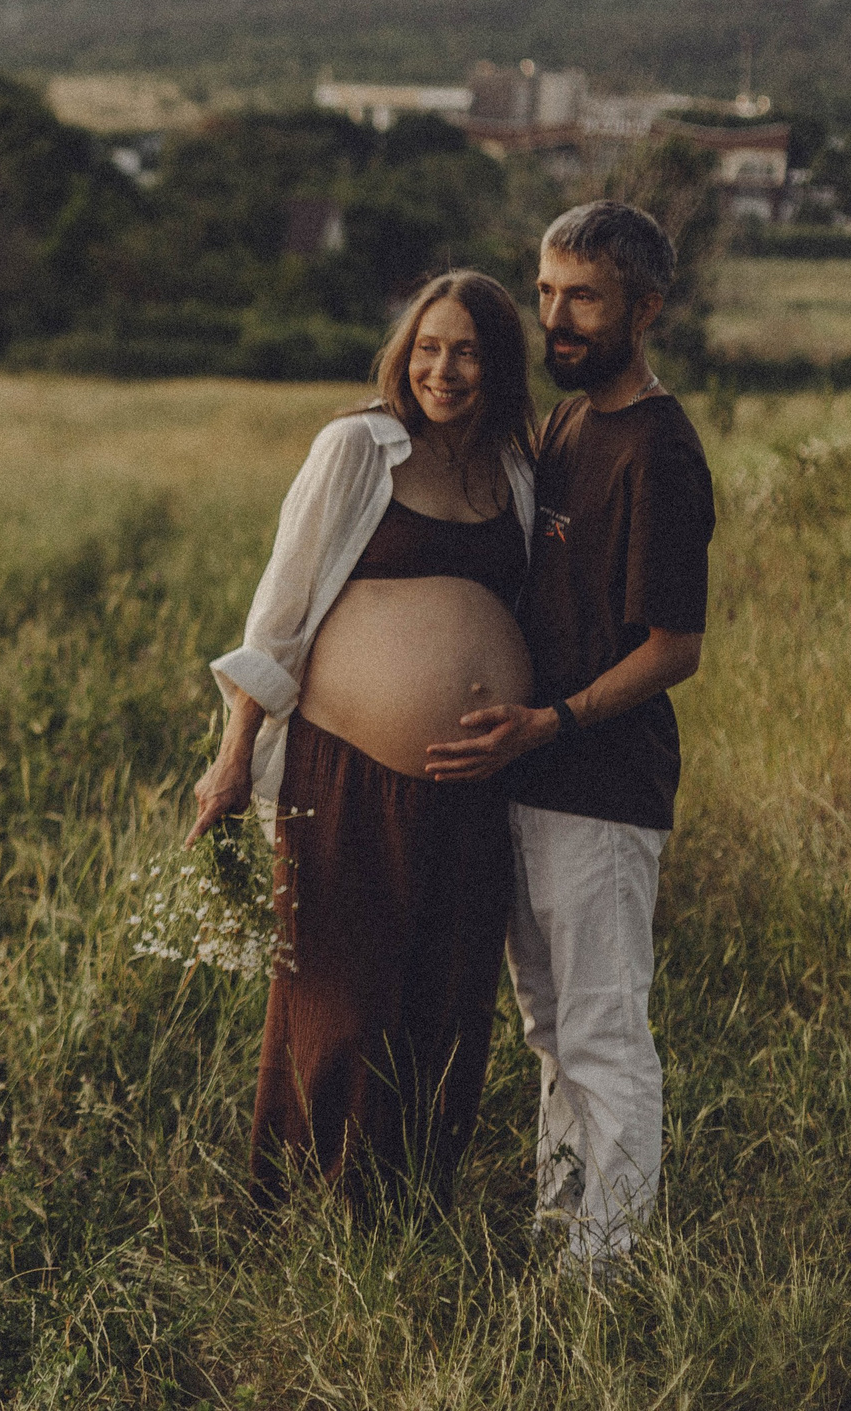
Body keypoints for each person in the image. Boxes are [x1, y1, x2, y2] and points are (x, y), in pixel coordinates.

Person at [191, 270, 537, 1210]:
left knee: (450, 996)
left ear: (498, 363)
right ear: (403, 353)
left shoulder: (513, 471)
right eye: (427, 347)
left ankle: (409, 1204)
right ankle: (306, 1206)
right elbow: (280, 607)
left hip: (473, 786)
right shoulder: (358, 449)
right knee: (340, 994)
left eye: (466, 350)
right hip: (346, 770)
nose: (444, 368)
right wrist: (232, 756)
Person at [425, 200, 714, 1271]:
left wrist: (548, 721)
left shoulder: (660, 451)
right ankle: (564, 1229)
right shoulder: (567, 426)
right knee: (548, 1030)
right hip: (532, 781)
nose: (556, 317)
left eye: (582, 296)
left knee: (601, 1034)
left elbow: (673, 646)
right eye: (545, 293)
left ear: (644, 306)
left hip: (601, 787)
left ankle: (608, 1269)